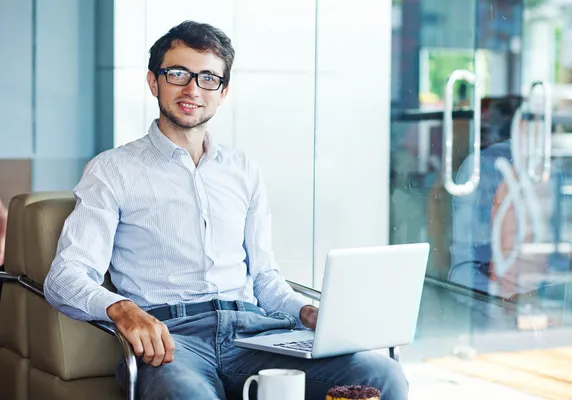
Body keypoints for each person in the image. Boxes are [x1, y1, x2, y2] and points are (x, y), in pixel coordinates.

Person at [43, 21, 409, 400]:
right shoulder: (112, 169)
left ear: (223, 91)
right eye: (178, 74)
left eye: (208, 78)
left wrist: (308, 313)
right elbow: (64, 276)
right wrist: (121, 308)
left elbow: (265, 278)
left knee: (382, 375)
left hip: (256, 336)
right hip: (175, 342)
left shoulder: (243, 169)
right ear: (154, 82)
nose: (192, 89)